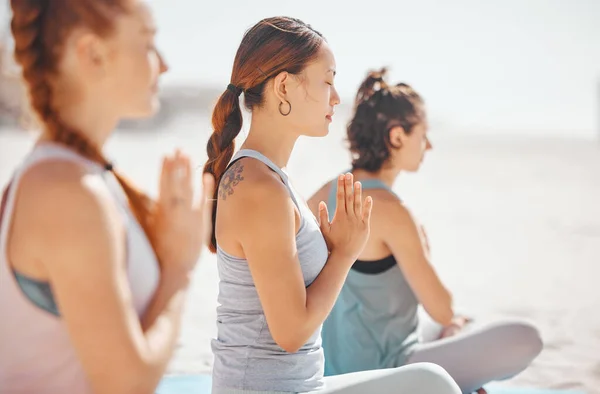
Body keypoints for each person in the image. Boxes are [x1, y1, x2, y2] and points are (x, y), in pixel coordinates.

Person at [203, 17, 461, 394]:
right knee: (434, 384)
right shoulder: (259, 188)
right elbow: (291, 333)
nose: (336, 98)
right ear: (284, 86)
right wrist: (343, 254)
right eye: (327, 81)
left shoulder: (272, 179)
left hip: (302, 386)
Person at [0, 1, 214, 393]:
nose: (163, 64)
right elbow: (127, 384)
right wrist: (179, 267)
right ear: (93, 54)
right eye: (148, 43)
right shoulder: (68, 194)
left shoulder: (78, 177)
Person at [308, 68, 543, 394]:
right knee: (523, 337)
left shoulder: (322, 195)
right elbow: (441, 308)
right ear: (397, 136)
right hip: (387, 372)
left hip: (330, 372)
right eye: (423, 134)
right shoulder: (391, 209)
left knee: (453, 326)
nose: (428, 145)